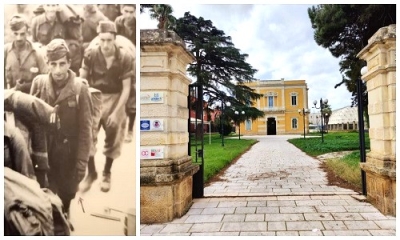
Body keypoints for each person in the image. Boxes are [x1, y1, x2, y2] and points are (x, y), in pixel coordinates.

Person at [30, 38, 93, 216]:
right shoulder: (39, 84)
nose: (58, 70)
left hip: (69, 155)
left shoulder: (80, 88)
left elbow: (85, 129)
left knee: (67, 194)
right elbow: (30, 120)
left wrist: (82, 163)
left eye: (62, 64)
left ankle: (65, 215)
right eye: (53, 64)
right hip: (44, 152)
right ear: (47, 64)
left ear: (69, 63)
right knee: (45, 194)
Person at [79, 20, 133, 193]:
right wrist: (87, 104)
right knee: (87, 134)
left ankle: (106, 172)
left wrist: (116, 112)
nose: (105, 44)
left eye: (109, 40)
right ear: (98, 39)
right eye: (102, 40)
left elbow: (126, 89)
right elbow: (82, 81)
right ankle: (92, 172)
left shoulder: (124, 57)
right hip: (94, 96)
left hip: (115, 98)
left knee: (115, 133)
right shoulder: (91, 54)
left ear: (115, 39)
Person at [31, 4, 83, 74]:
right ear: (44, 7)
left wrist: (74, 21)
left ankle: (72, 74)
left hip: (60, 51)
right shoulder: (36, 21)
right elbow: (34, 41)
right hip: (43, 51)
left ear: (58, 7)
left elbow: (76, 36)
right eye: (48, 5)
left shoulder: (63, 20)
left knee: (74, 46)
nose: (51, 9)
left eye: (53, 5)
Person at [4, 14, 48, 93]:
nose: (19, 38)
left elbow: (46, 79)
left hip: (31, 98)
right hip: (9, 98)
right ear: (11, 33)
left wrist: (27, 86)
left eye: (22, 34)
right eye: (16, 34)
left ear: (27, 32)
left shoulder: (37, 53)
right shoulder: (5, 52)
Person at [115, 4, 136, 143]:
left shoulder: (136, 23)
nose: (128, 14)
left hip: (133, 57)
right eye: (126, 11)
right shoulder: (118, 22)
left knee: (132, 91)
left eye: (131, 12)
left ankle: (130, 129)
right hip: (120, 55)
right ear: (122, 10)